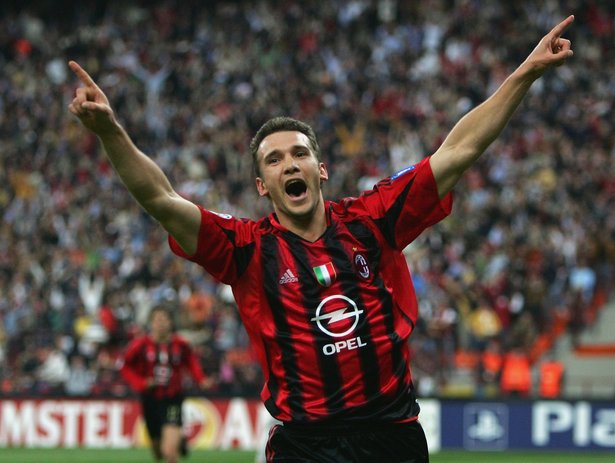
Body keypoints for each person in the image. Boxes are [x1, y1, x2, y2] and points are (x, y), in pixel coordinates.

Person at [68, 15, 574, 463]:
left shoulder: (372, 219)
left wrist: (525, 73)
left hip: (392, 436)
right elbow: (161, 199)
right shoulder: (246, 249)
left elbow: (458, 150)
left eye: (299, 154)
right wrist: (111, 131)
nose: (289, 164)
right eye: (274, 159)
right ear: (262, 186)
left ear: (320, 169)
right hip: (306, 445)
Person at [120, 305, 212, 463]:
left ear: (171, 322)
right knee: (158, 452)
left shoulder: (180, 344)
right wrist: (141, 383)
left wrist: (201, 379)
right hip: (150, 400)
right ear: (151, 323)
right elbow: (125, 366)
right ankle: (179, 439)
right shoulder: (140, 345)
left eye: (164, 319)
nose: (161, 323)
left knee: (169, 452)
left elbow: (191, 361)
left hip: (173, 399)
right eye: (157, 320)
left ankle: (175, 440)